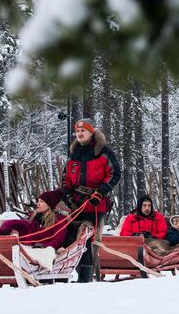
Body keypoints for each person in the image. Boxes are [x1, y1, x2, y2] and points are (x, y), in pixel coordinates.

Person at [58, 118, 121, 282]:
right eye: (77, 131)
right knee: (70, 236)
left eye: (83, 131)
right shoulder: (74, 154)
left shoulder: (103, 152)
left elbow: (114, 174)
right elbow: (66, 177)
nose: (79, 134)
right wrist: (68, 194)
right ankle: (64, 272)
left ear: (91, 132)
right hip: (75, 203)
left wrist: (100, 192)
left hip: (95, 204)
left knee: (87, 238)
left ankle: (85, 277)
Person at [0, 190, 67, 250]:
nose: (38, 204)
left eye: (42, 201)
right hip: (29, 251)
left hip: (45, 252)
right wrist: (7, 227)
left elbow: (58, 240)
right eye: (38, 201)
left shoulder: (58, 221)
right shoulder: (35, 219)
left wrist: (44, 247)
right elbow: (24, 227)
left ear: (50, 204)